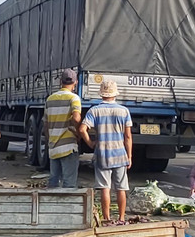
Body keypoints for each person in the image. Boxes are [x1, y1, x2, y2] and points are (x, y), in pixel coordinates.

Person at [80, 79, 132, 222]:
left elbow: (82, 129)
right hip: (120, 154)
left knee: (105, 188)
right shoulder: (124, 111)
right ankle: (121, 218)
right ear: (115, 94)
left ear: (101, 94)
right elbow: (128, 136)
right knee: (121, 188)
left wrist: (91, 143)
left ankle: (107, 218)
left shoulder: (94, 111)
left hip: (102, 154)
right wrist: (130, 156)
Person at [44, 69, 82, 188]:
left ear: (61, 81)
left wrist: (49, 140)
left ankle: (51, 206)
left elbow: (46, 123)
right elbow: (76, 118)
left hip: (54, 146)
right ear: (75, 82)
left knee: (53, 182)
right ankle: (67, 206)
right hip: (68, 146)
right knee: (69, 183)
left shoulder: (50, 99)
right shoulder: (74, 98)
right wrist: (78, 133)